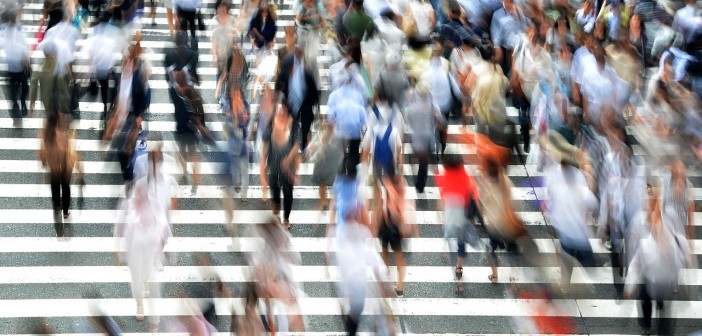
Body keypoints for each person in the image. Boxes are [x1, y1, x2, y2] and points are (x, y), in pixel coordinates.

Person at [116, 148, 177, 332]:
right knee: (136, 280)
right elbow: (120, 227)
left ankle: (154, 320)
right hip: (135, 250)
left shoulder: (154, 205)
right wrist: (118, 251)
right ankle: (139, 304)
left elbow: (163, 222)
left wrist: (168, 249)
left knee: (152, 282)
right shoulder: (129, 209)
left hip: (150, 249)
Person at [38, 113, 83, 236]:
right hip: (65, 167)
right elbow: (73, 153)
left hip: (54, 168)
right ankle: (65, 211)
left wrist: (44, 161)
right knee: (65, 187)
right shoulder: (64, 134)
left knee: (55, 188)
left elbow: (42, 152)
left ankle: (57, 206)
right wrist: (80, 172)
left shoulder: (47, 135)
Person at [260, 105, 301, 229]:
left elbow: (296, 144)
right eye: (278, 112)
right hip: (274, 161)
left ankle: (286, 218)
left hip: (289, 165)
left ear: (288, 114)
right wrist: (263, 160)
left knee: (288, 191)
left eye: (283, 112)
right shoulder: (271, 123)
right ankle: (276, 202)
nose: (280, 115)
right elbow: (265, 143)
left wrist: (288, 160)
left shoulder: (294, 125)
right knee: (273, 184)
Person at [403, 80, 439, 193]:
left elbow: (407, 121)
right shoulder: (431, 107)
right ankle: (420, 183)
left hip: (417, 137)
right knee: (424, 163)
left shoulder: (411, 108)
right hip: (428, 136)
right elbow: (436, 120)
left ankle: (418, 181)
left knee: (420, 158)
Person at [0, 4, 30, 122]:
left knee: (13, 88)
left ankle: (17, 104)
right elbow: (24, 46)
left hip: (11, 66)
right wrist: (26, 59)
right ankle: (22, 102)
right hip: (20, 65)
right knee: (24, 87)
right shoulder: (18, 30)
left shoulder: (5, 29)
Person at [306, 121, 344, 211]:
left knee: (334, 184)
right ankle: (323, 202)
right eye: (328, 127)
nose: (329, 129)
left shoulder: (338, 136)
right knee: (322, 183)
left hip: (332, 163)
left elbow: (341, 152)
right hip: (322, 163)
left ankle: (333, 202)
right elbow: (312, 147)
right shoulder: (321, 135)